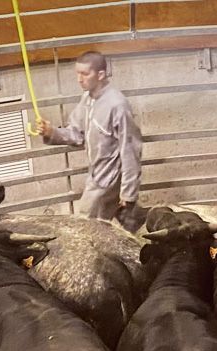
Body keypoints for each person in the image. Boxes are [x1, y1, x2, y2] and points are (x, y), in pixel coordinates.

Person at [37, 51, 145, 230]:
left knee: (86, 224)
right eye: (77, 73)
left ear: (101, 74)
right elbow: (77, 134)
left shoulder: (117, 104)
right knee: (121, 222)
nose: (79, 79)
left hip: (108, 176)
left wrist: (128, 194)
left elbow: (130, 149)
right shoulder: (87, 100)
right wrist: (51, 132)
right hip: (96, 172)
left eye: (85, 74)